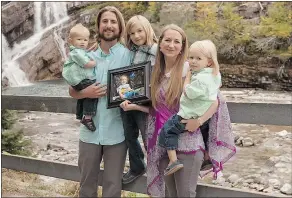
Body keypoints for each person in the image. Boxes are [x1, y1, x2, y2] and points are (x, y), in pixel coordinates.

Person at [144, 24, 236, 197]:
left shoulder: (192, 69)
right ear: (160, 43)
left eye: (176, 41)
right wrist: (133, 106)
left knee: (185, 194)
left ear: (182, 46)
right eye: (167, 40)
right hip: (163, 143)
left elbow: (216, 100)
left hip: (189, 141)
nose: (171, 45)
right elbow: (156, 108)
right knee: (170, 194)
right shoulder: (156, 71)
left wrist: (199, 121)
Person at [68, 6, 132, 197]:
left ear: (120, 27)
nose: (109, 25)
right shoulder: (86, 56)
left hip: (118, 132)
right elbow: (72, 90)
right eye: (105, 21)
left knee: (113, 186)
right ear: (98, 26)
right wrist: (86, 92)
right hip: (89, 132)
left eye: (113, 21)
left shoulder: (128, 55)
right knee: (86, 185)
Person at [158, 40, 221, 176]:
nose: (193, 61)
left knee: (168, 130)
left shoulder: (199, 79)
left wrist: (187, 80)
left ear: (209, 62)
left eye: (198, 58)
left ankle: (173, 160)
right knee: (205, 133)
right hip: (202, 114)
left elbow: (189, 93)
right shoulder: (213, 75)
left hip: (188, 115)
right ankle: (208, 156)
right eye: (191, 57)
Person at [120, 15, 158, 184]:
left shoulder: (157, 50)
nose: (136, 36)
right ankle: (137, 166)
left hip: (146, 102)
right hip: (129, 98)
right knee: (129, 135)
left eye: (139, 31)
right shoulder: (129, 52)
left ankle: (156, 171)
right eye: (132, 33)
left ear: (147, 29)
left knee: (148, 136)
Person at [62, 23, 97, 132]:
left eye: (85, 40)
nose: (82, 42)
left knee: (84, 96)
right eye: (79, 39)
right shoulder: (76, 52)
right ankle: (87, 117)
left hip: (78, 80)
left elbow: (85, 55)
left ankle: (80, 115)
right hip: (78, 80)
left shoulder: (79, 51)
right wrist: (97, 62)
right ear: (71, 40)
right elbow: (86, 64)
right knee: (93, 93)